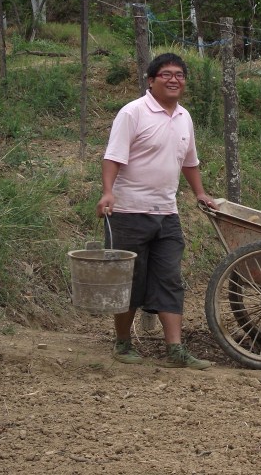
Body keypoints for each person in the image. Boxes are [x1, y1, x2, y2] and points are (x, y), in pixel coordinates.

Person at [96, 52, 217, 369]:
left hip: (167, 214)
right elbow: (113, 157)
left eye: (179, 74)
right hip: (128, 212)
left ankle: (175, 350)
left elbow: (189, 161)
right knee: (128, 281)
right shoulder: (133, 112)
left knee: (170, 279)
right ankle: (122, 343)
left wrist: (200, 193)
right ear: (151, 81)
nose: (174, 79)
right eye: (166, 74)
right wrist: (108, 192)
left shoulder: (184, 117)